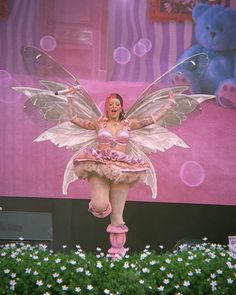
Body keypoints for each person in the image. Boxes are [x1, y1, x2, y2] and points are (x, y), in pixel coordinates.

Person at [67, 92, 175, 257]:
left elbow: (152, 119)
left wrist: (169, 105)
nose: (113, 106)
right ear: (107, 107)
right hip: (100, 165)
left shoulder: (128, 124)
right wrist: (71, 100)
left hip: (122, 169)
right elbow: (74, 118)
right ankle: (99, 205)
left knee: (117, 219)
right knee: (99, 206)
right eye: (111, 104)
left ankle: (117, 255)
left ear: (121, 107)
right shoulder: (99, 123)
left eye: (117, 104)